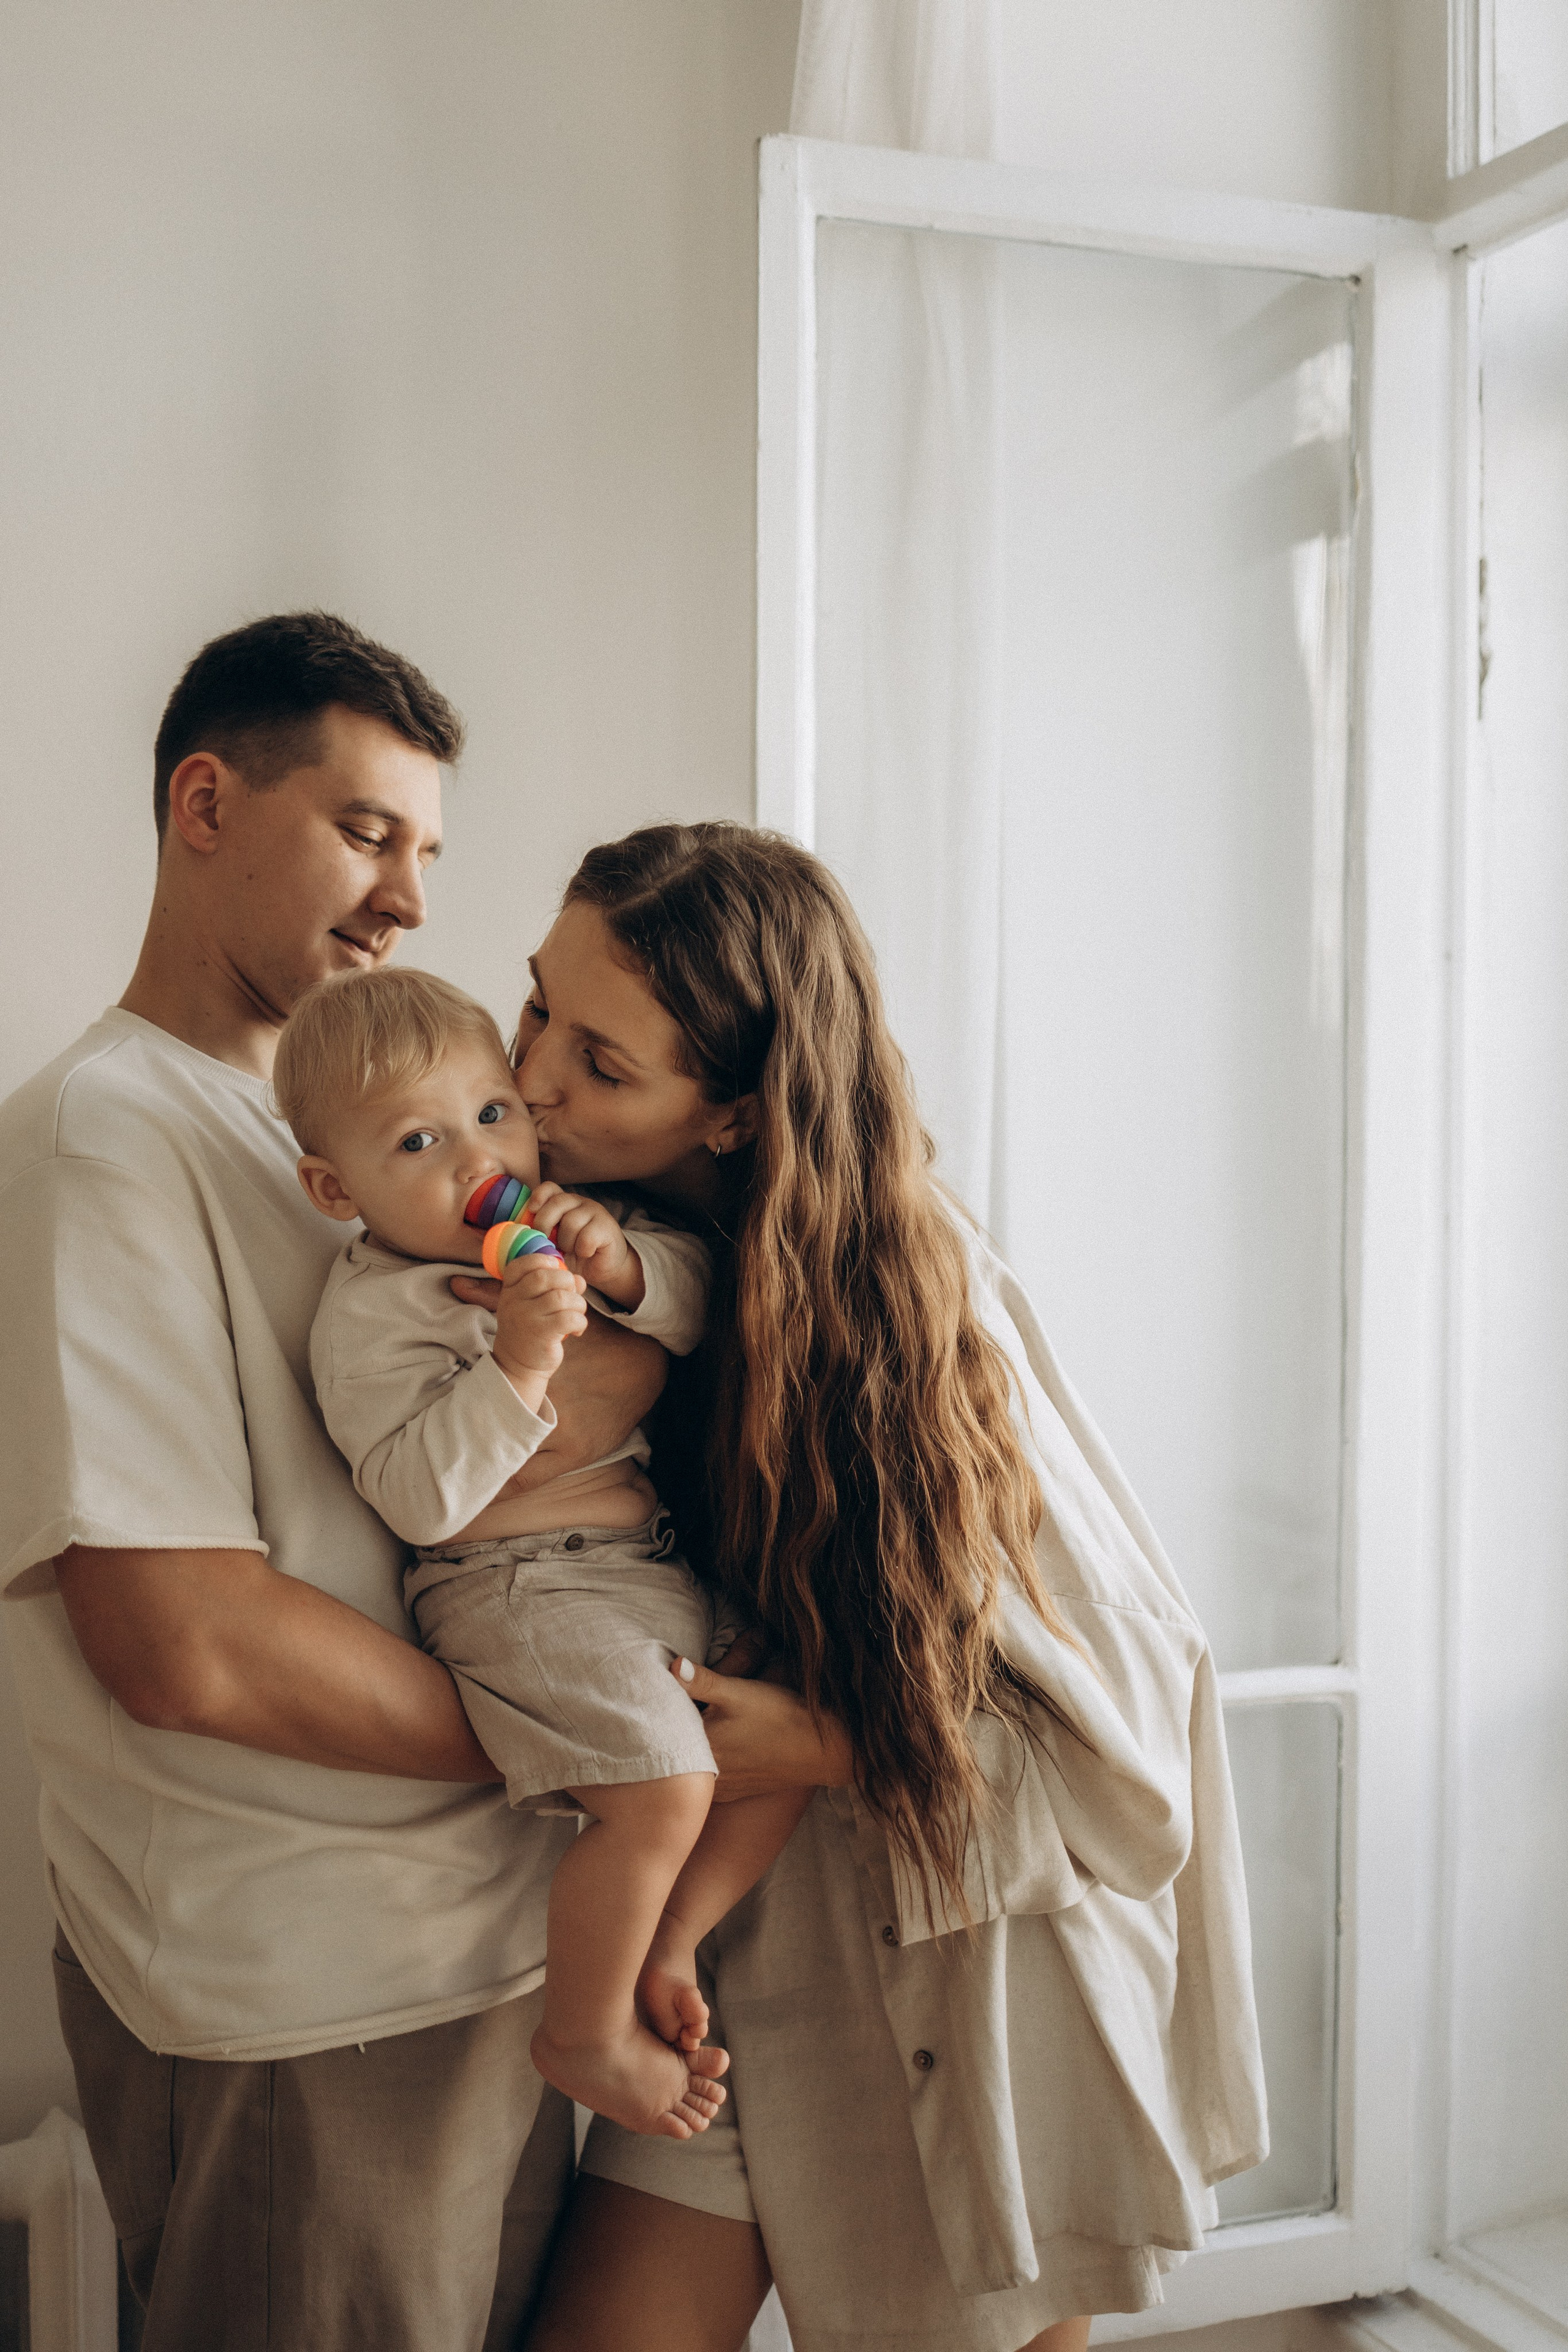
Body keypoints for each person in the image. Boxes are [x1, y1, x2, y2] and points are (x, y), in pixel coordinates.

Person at [489, 823, 1270, 2352]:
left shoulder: (917, 1309)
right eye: (533, 1010)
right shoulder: (595, 1247)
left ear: (728, 1113)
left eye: (599, 1060)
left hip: (968, 1989)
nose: (534, 1081)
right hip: (735, 1965)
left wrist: (820, 1738)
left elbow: (1128, 1756)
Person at [0, 613, 667, 2350]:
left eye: (428, 851)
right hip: (313, 2005)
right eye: (370, 832)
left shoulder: (344, 1134)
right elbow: (184, 1643)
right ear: (205, 801)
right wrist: (603, 1743)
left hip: (482, 1950)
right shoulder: (101, 1140)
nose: (410, 899)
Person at [274, 964, 807, 2136]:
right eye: (417, 1142)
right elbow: (419, 1497)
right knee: (665, 1787)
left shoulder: (565, 1213)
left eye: (493, 1113)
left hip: (646, 1567)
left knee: (793, 1721)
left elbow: (707, 1301)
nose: (481, 1163)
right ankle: (581, 2029)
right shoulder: (375, 1313)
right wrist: (513, 1366)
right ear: (333, 1187)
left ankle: (669, 1942)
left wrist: (622, 1266)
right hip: (514, 1586)